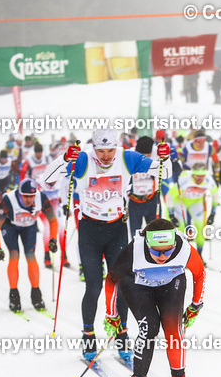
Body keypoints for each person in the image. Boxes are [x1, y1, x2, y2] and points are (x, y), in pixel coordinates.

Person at [44, 128, 170, 362]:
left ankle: (121, 334)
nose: (105, 156)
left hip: (116, 230)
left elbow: (165, 171)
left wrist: (165, 157)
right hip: (90, 232)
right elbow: (47, 177)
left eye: (109, 150)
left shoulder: (126, 157)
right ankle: (88, 335)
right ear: (94, 148)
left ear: (116, 147)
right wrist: (65, 159)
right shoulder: (83, 159)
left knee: (122, 284)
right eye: (101, 151)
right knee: (94, 287)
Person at [103, 219, 206, 377]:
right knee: (149, 328)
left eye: (168, 251)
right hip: (137, 285)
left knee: (174, 330)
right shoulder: (134, 251)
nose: (163, 256)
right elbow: (111, 280)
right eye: (157, 252)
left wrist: (195, 305)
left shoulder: (184, 249)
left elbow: (199, 274)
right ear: (147, 244)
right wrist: (112, 314)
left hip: (171, 283)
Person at [0, 179, 58, 312]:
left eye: (31, 196)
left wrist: (53, 239)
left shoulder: (41, 198)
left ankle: (36, 295)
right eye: (25, 196)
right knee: (14, 255)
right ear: (19, 193)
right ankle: (14, 296)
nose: (29, 199)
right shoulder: (8, 200)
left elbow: (53, 220)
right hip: (10, 226)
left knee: (30, 255)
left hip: (29, 226)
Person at [172, 164, 216, 258]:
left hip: (196, 201)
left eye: (202, 176)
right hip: (180, 201)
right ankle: (182, 255)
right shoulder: (184, 179)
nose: (200, 179)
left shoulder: (208, 180)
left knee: (200, 228)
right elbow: (169, 196)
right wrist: (171, 214)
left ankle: (199, 255)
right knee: (181, 227)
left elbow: (215, 195)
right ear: (192, 175)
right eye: (197, 177)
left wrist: (213, 213)